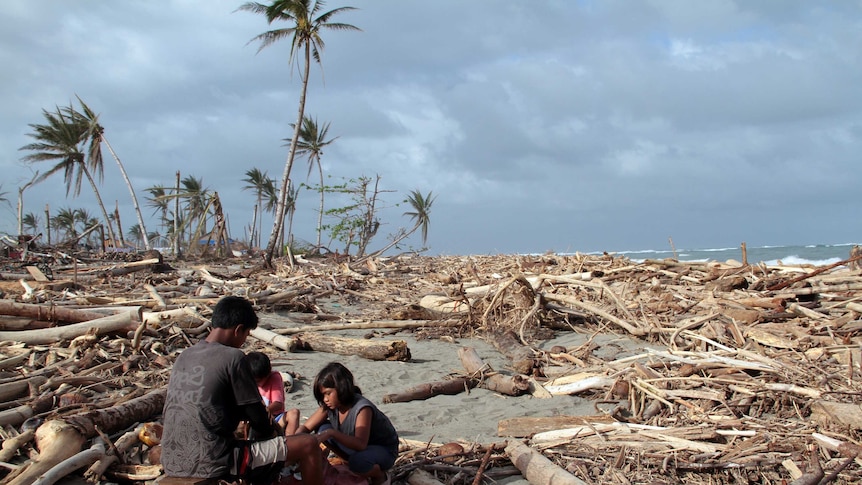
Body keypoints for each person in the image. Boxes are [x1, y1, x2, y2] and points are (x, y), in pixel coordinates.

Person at [160, 296, 323, 485]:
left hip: (172, 459)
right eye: (246, 334)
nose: (244, 341)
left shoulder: (185, 356)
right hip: (214, 461)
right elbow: (259, 418)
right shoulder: (233, 357)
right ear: (238, 330)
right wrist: (274, 432)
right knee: (308, 444)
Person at [297, 362, 399, 485]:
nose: (325, 399)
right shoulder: (329, 406)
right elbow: (306, 427)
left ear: (341, 388)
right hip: (357, 448)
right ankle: (346, 460)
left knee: (358, 462)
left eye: (328, 393)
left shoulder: (362, 408)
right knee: (321, 427)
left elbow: (360, 444)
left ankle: (380, 476)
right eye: (323, 395)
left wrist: (331, 433)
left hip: (383, 450)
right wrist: (294, 443)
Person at [246, 351, 301, 435]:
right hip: (255, 420)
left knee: (294, 413)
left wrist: (266, 410)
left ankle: (289, 441)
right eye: (257, 381)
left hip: (276, 418)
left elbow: (278, 403)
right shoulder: (246, 380)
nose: (261, 383)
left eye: (263, 379)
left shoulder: (274, 377)